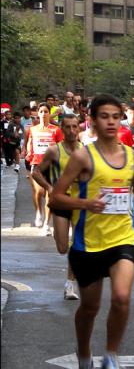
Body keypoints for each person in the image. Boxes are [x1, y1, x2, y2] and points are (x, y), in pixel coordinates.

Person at [48, 93, 134, 369]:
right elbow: (57, 195)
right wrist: (86, 204)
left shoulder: (133, 157)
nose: (111, 122)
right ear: (93, 121)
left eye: (116, 116)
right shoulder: (82, 156)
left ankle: (112, 354)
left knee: (122, 297)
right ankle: (84, 353)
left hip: (122, 237)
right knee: (89, 308)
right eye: (104, 117)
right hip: (88, 243)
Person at [31, 112, 83, 300]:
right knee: (62, 247)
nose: (71, 131)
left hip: (78, 203)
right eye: (67, 127)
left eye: (75, 126)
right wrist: (49, 187)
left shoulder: (85, 150)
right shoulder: (54, 151)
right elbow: (36, 172)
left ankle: (70, 285)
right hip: (60, 203)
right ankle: (62, 238)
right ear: (62, 129)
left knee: (77, 245)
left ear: (79, 128)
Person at [24, 102, 62, 231]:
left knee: (49, 194)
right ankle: (38, 212)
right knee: (39, 191)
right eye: (41, 111)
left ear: (49, 113)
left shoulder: (56, 130)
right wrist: (29, 151)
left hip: (51, 165)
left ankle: (46, 223)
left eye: (46, 111)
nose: (43, 114)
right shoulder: (32, 129)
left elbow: (61, 146)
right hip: (36, 163)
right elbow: (29, 142)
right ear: (38, 113)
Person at [1, 104, 22, 174]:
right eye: (16, 118)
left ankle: (15, 164)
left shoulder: (19, 124)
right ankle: (9, 162)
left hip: (16, 141)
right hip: (8, 140)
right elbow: (6, 132)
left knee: (15, 151)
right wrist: (13, 134)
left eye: (19, 118)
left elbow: (23, 132)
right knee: (8, 151)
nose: (17, 119)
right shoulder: (7, 123)